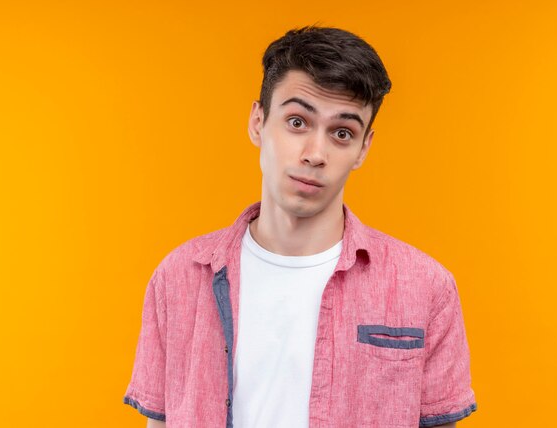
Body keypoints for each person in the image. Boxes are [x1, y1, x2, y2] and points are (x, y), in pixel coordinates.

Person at [123, 26, 476, 428]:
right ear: (258, 121)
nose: (315, 154)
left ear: (363, 148)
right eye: (297, 122)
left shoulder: (425, 286)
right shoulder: (179, 277)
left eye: (342, 133)